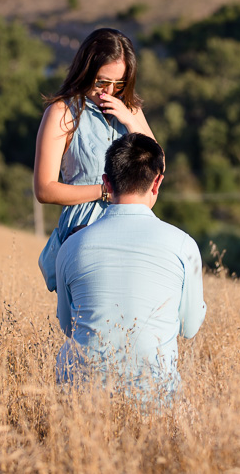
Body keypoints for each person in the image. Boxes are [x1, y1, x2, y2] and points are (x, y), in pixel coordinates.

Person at [53, 133, 206, 399]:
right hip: (156, 399)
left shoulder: (71, 246)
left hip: (82, 403)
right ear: (157, 183)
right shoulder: (184, 245)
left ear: (106, 183)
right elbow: (189, 328)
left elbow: (69, 326)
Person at [33, 28, 155, 291]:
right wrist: (105, 192)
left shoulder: (131, 109)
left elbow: (159, 166)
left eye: (118, 84)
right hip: (83, 232)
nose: (108, 91)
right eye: (101, 82)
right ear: (85, 70)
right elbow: (44, 189)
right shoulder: (62, 112)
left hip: (133, 229)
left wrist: (131, 120)